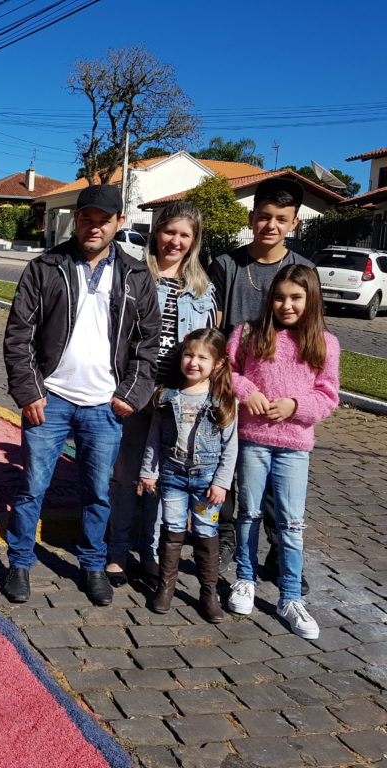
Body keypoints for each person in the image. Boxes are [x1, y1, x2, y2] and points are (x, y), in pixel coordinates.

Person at [2, 184, 160, 607]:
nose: (94, 227)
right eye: (87, 218)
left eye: (103, 220)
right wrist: (28, 390)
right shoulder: (46, 267)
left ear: (119, 223)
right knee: (33, 486)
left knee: (97, 491)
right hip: (50, 399)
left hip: (105, 405)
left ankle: (92, 565)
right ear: (76, 218)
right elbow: (20, 335)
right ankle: (19, 562)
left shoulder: (136, 276)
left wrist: (131, 395)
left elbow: (148, 344)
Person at [208, 177, 314, 585]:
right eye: (264, 216)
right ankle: (227, 543)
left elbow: (310, 337)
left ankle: (276, 554)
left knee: (276, 482)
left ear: (294, 223)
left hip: (284, 400)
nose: (271, 225)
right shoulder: (227, 265)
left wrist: (295, 401)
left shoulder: (303, 269)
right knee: (227, 471)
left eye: (281, 219)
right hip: (234, 386)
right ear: (252, 217)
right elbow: (215, 328)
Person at [106, 202, 217, 589]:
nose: (176, 241)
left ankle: (149, 551)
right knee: (125, 474)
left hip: (177, 398)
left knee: (161, 479)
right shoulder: (133, 274)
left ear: (194, 240)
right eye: (170, 231)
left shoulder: (203, 288)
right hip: (134, 387)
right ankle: (117, 550)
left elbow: (209, 343)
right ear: (157, 232)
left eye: (184, 235)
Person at [226, 265, 339, 638]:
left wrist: (295, 406)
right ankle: (245, 577)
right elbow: (227, 371)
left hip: (294, 446)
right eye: (279, 297)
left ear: (311, 300)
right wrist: (248, 392)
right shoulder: (249, 334)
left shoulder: (324, 343)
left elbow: (327, 395)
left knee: (291, 523)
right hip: (254, 440)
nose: (286, 305)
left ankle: (291, 597)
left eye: (295, 298)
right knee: (249, 512)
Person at [140, 328, 238, 623]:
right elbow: (154, 438)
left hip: (207, 482)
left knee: (206, 533)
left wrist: (222, 482)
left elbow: (231, 447)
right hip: (172, 476)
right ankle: (165, 587)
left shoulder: (223, 400)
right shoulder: (166, 397)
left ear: (218, 363)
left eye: (202, 358)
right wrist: (149, 471)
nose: (193, 362)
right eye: (188, 355)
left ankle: (208, 593)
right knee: (171, 529)